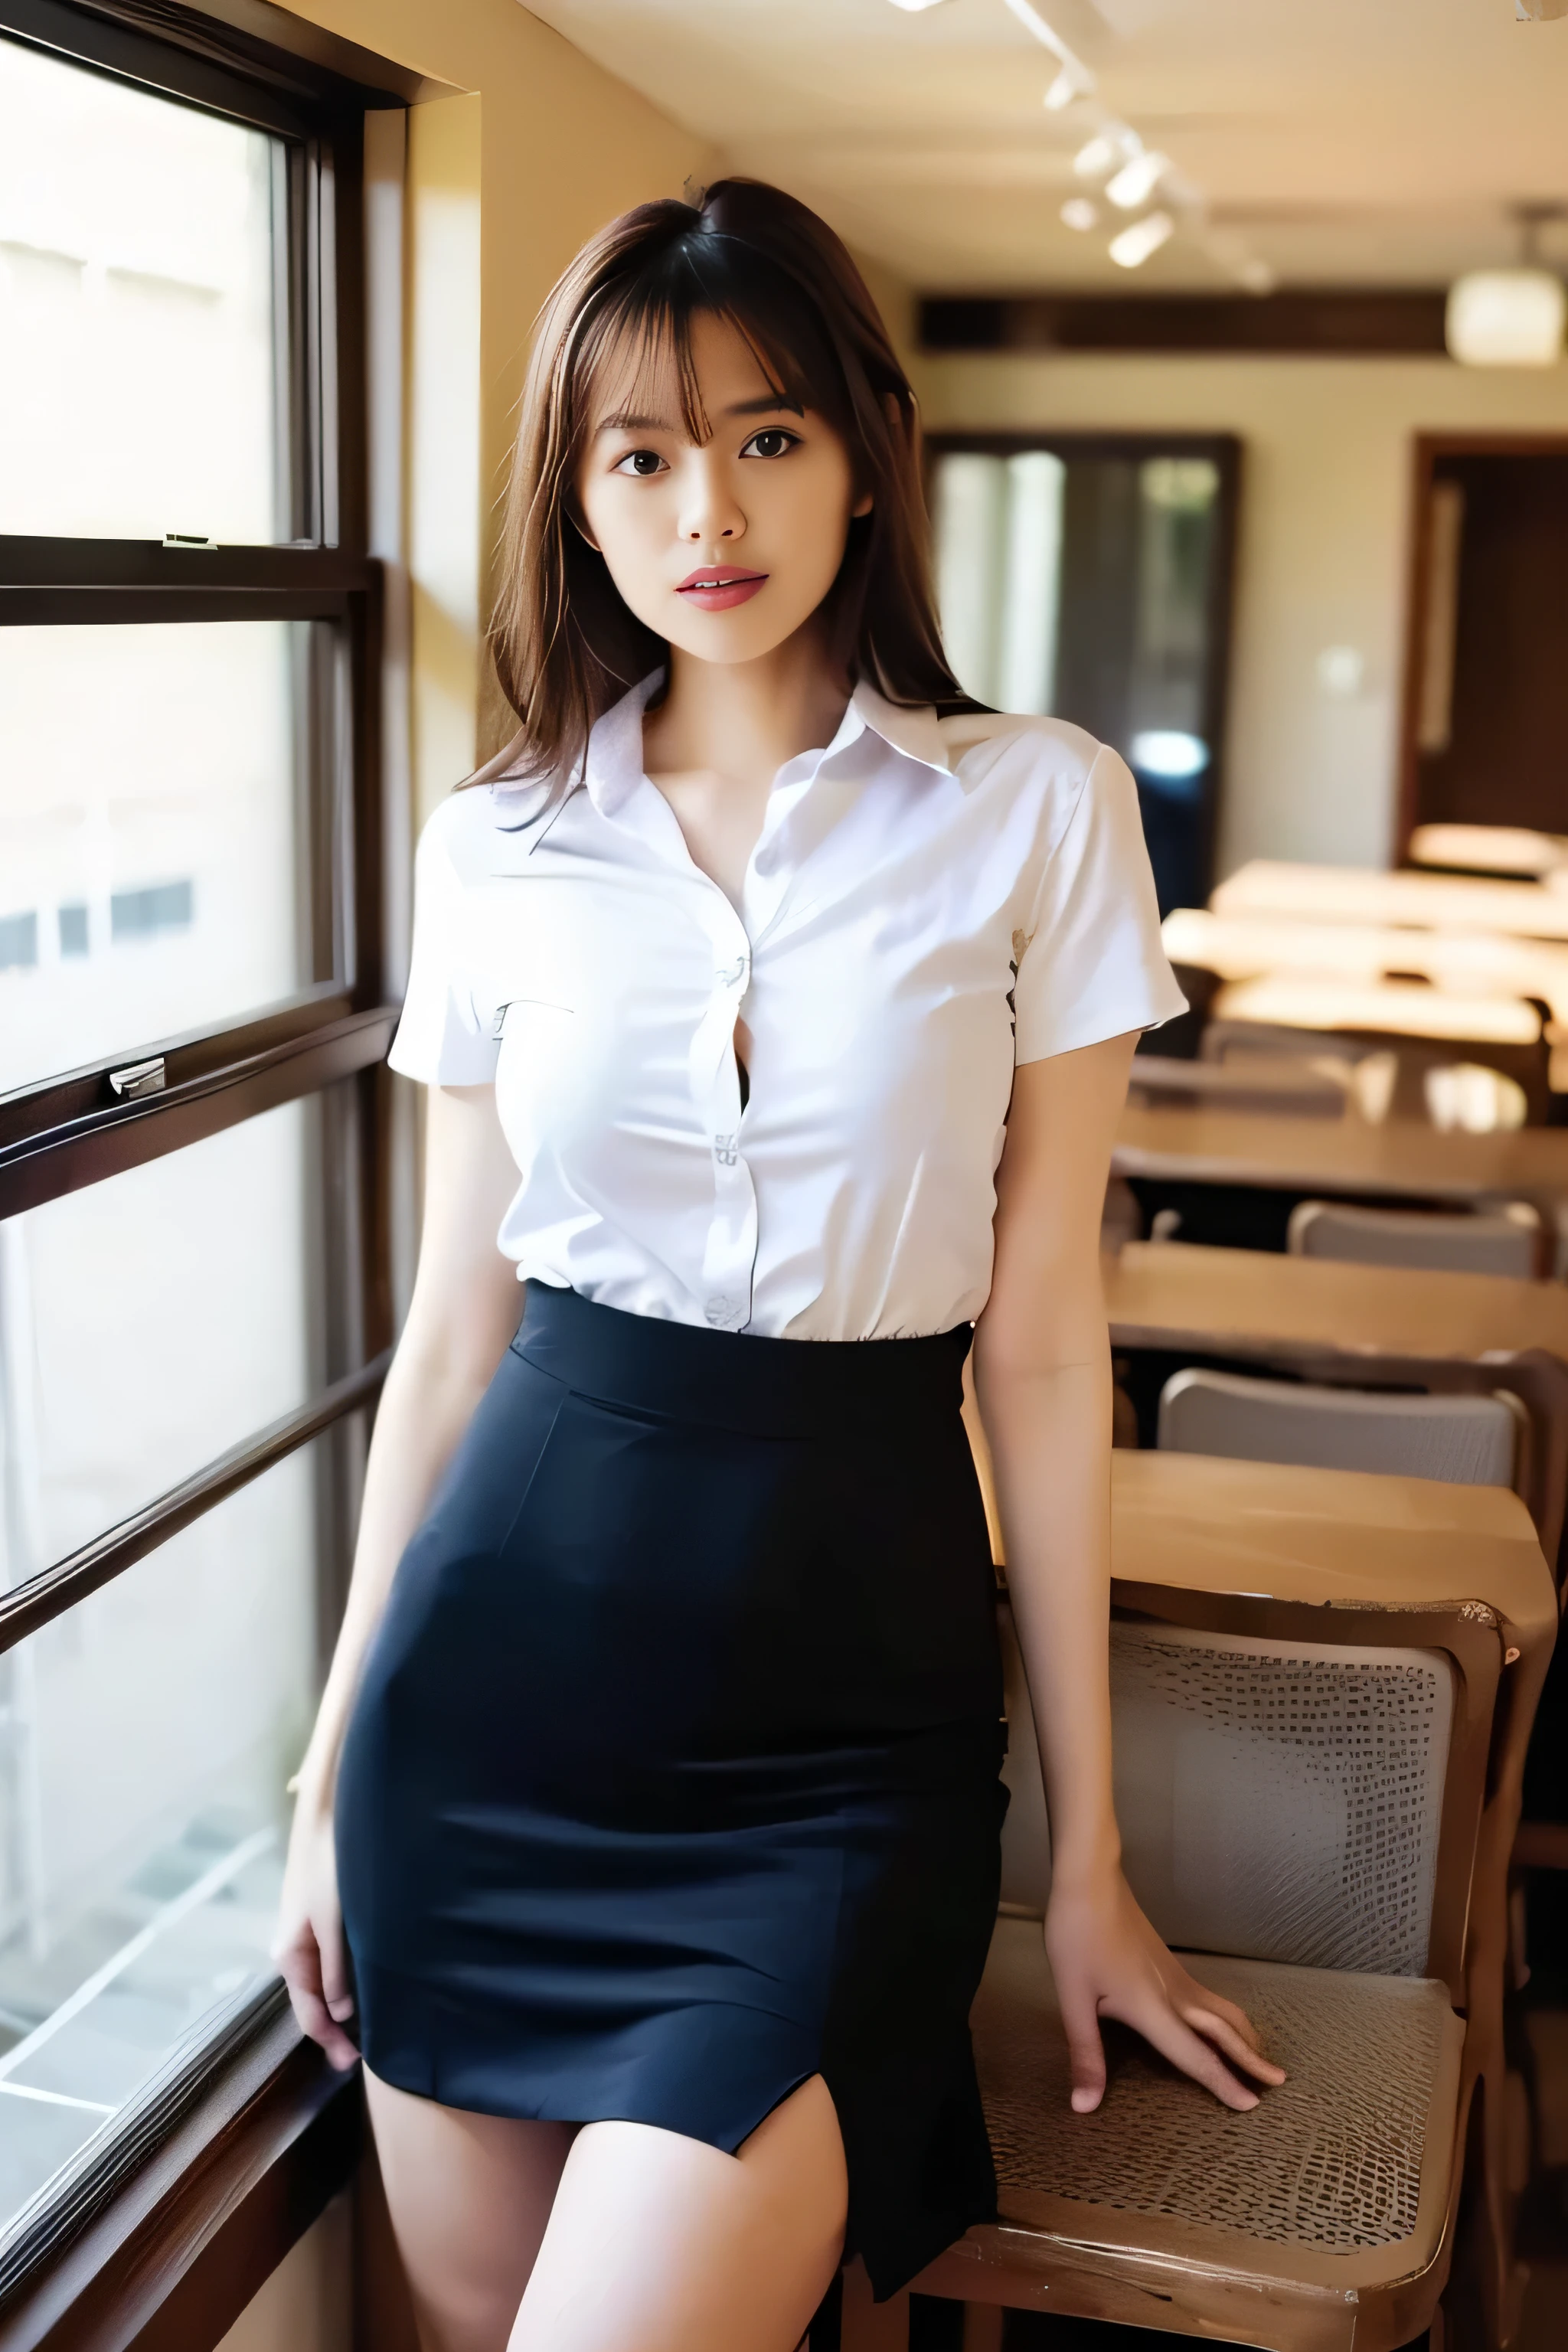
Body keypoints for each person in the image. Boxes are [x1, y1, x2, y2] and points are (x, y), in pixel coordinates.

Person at [274, 177, 1283, 2352]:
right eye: (637, 453)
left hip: (836, 1737)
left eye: (762, 435)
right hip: (490, 1720)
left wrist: (1084, 1861)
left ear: (859, 450)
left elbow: (1039, 1346)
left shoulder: (1035, 809)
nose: (702, 505)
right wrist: (326, 1776)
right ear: (580, 496)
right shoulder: (502, 843)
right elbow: (448, 1336)